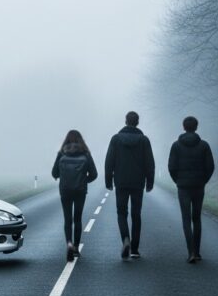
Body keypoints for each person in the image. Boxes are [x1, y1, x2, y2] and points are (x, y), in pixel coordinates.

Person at [105, 111, 155, 259]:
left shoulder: (116, 139)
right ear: (137, 122)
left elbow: (109, 161)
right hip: (138, 182)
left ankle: (125, 239)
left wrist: (108, 181)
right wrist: (150, 182)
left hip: (121, 181)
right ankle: (134, 249)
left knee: (121, 213)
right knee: (136, 214)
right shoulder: (144, 140)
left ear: (126, 121)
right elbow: (149, 163)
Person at [168, 116, 215, 263]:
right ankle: (198, 251)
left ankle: (191, 252)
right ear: (196, 127)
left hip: (183, 187)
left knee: (186, 219)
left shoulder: (176, 145)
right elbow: (210, 167)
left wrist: (178, 181)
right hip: (198, 186)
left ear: (184, 127)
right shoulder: (204, 145)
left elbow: (171, 167)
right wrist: (203, 180)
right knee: (197, 218)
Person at [52, 130, 98, 262]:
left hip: (65, 190)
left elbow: (54, 173)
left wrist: (62, 176)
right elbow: (94, 174)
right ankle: (76, 248)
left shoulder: (61, 154)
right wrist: (83, 180)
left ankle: (69, 243)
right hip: (80, 191)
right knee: (78, 219)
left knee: (68, 219)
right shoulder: (85, 154)